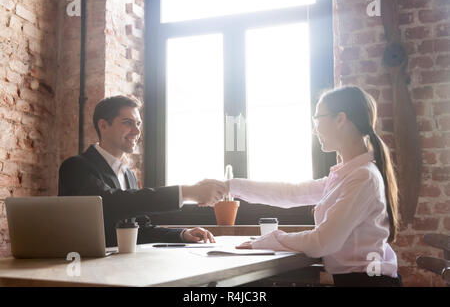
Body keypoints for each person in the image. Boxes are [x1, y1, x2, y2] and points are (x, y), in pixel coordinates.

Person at [226, 86, 403, 287]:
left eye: (317, 118)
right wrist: (229, 187)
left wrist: (268, 240)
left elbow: (322, 242)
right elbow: (290, 194)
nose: (314, 128)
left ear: (340, 119)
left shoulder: (363, 177)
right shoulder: (347, 175)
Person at [58, 95, 226, 247]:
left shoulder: (128, 175)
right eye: (127, 122)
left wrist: (182, 234)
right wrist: (186, 192)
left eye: (138, 123)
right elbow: (109, 203)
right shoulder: (75, 167)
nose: (137, 131)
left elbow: (140, 230)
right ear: (103, 125)